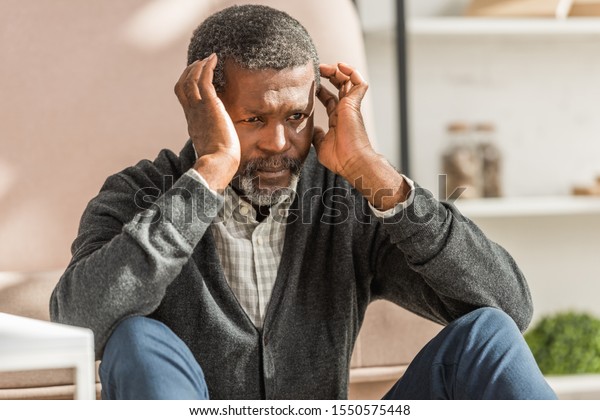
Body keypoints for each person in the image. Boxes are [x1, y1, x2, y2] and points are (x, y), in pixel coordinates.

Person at [50, 4, 556, 400]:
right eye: (254, 120)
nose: (278, 142)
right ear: (203, 109)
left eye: (295, 117)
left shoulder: (350, 204)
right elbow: (77, 323)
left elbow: (508, 307)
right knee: (136, 338)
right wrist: (207, 177)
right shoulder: (137, 193)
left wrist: (374, 172)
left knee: (486, 333)